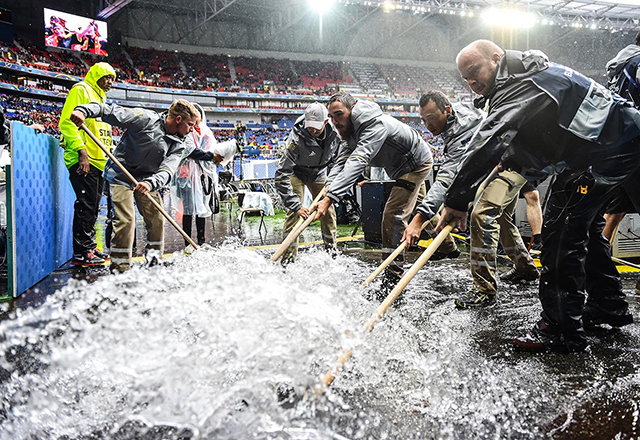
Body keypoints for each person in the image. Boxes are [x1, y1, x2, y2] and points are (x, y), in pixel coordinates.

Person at [436, 40, 640, 352]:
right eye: (465, 77)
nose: (471, 81)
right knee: (582, 229)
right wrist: (514, 159)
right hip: (612, 146)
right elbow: (547, 134)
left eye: (475, 70)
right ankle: (608, 308)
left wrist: (457, 199)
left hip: (607, 150)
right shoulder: (531, 74)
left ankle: (559, 329)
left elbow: (488, 139)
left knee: (560, 236)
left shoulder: (519, 82)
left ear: (496, 58)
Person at [313, 92, 433, 288]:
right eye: (331, 116)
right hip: (399, 168)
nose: (335, 121)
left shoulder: (373, 125)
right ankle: (448, 248)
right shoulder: (349, 131)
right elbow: (342, 160)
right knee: (423, 210)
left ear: (352, 110)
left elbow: (358, 160)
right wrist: (328, 188)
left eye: (339, 114)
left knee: (393, 213)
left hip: (415, 164)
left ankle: (393, 273)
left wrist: (331, 198)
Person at [70, 99, 199, 272]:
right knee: (126, 220)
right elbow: (110, 111)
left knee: (157, 218)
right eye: (190, 124)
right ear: (178, 119)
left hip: (148, 180)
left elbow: (168, 170)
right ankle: (120, 268)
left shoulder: (180, 143)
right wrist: (83, 110)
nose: (192, 129)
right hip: (121, 176)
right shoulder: (145, 119)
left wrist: (150, 182)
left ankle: (154, 262)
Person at [402, 90, 484, 261]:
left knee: (481, 217)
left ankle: (484, 285)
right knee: (503, 220)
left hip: (506, 164)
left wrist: (418, 219)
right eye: (423, 120)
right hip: (491, 164)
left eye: (431, 117)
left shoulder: (460, 134)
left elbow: (446, 179)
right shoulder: (458, 113)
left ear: (447, 110)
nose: (427, 125)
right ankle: (525, 266)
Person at [59, 62, 116, 267]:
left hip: (98, 161)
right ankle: (81, 253)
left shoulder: (102, 98)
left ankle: (90, 247)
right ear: (96, 75)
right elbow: (66, 122)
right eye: (106, 77)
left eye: (113, 78)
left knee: (93, 207)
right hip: (84, 159)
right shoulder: (81, 90)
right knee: (86, 205)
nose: (110, 82)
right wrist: (81, 151)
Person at [274, 102, 340, 262]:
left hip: (319, 173)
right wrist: (295, 205)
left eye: (317, 127)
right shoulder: (295, 139)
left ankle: (332, 254)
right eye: (310, 126)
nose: (313, 130)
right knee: (295, 214)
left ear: (326, 121)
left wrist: (332, 180)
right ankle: (288, 259)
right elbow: (281, 173)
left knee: (328, 211)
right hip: (296, 172)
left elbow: (338, 160)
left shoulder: (336, 133)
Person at [171, 103, 237, 246]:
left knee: (201, 208)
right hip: (186, 176)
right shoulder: (186, 131)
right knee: (188, 210)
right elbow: (190, 150)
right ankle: (187, 243)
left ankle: (201, 242)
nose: (196, 124)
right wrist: (211, 156)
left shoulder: (204, 131)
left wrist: (218, 154)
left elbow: (210, 148)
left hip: (201, 177)